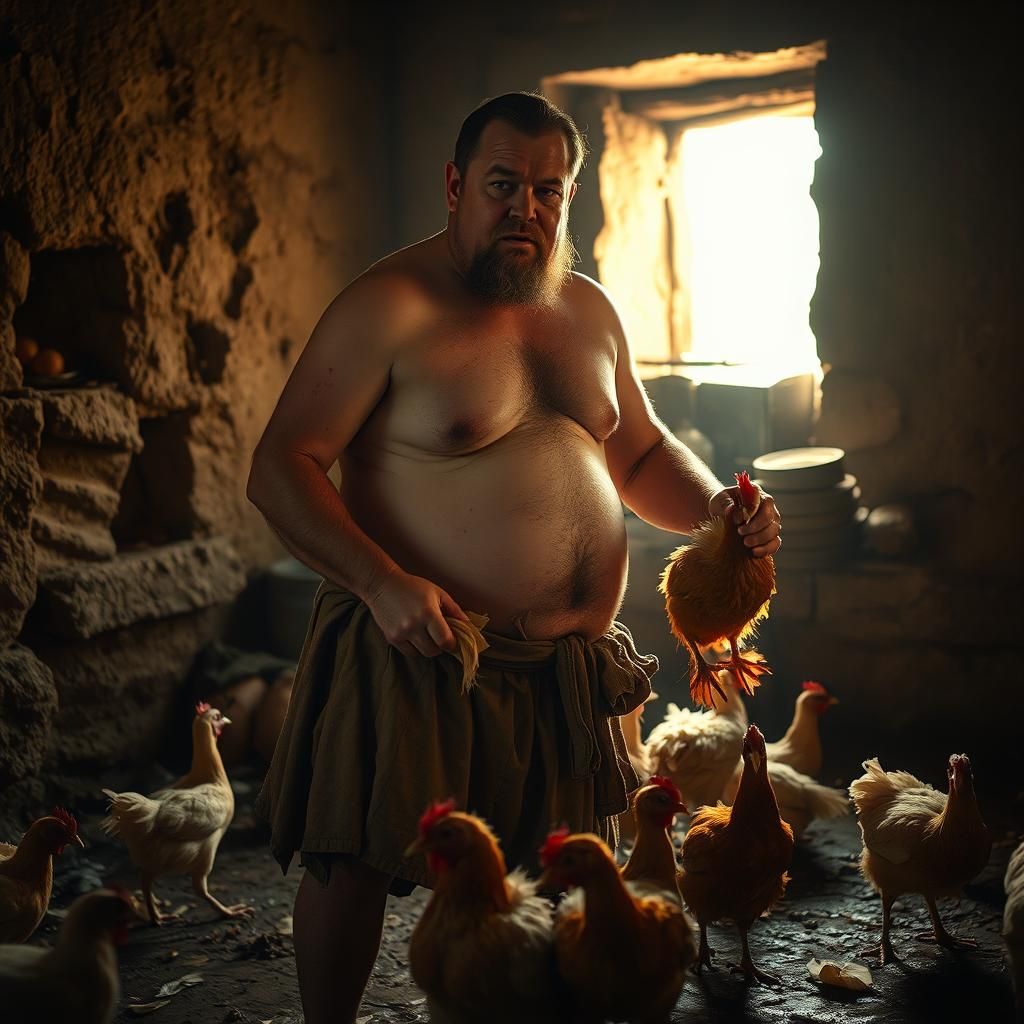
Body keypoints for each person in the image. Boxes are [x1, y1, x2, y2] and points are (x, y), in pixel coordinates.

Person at [248, 91, 782, 1024]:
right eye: (502, 185)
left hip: (561, 671)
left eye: (548, 191)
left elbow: (644, 455)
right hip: (417, 642)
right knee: (354, 859)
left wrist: (722, 514)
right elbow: (279, 466)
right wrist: (379, 581)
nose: (524, 210)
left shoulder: (589, 310)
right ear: (456, 186)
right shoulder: (390, 306)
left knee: (556, 868)